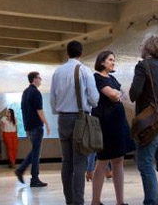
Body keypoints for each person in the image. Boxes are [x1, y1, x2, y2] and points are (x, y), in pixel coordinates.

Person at [129, 34, 158, 205]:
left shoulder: (142, 66)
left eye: (142, 44)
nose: (140, 47)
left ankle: (152, 201)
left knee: (145, 163)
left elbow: (134, 93)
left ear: (147, 48)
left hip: (150, 124)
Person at [51, 40, 99, 205]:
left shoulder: (57, 72)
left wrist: (60, 110)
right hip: (80, 119)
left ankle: (69, 200)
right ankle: (78, 201)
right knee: (80, 162)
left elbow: (53, 100)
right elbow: (94, 99)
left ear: (67, 53)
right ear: (81, 53)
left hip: (62, 118)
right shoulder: (84, 71)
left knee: (67, 161)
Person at [91, 50, 135, 205]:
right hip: (106, 124)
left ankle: (120, 201)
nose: (113, 62)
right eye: (110, 60)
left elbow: (124, 95)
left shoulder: (112, 78)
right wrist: (117, 94)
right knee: (102, 161)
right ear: (102, 62)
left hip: (118, 123)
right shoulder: (97, 77)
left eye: (113, 60)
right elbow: (114, 95)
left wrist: (118, 94)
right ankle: (95, 201)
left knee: (119, 160)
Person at [16, 70, 50, 187]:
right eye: (39, 78)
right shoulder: (36, 92)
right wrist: (46, 123)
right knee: (36, 153)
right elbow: (39, 110)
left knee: (35, 151)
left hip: (28, 126)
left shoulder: (25, 92)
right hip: (36, 126)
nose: (41, 80)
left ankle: (23, 171)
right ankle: (33, 178)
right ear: (34, 79)